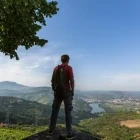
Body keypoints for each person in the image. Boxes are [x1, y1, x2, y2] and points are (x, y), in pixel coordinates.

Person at [48, 54, 76, 139]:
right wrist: (72, 91)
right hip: (66, 93)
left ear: (61, 60)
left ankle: (51, 130)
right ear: (68, 60)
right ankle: (69, 133)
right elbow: (71, 80)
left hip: (57, 93)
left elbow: (52, 80)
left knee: (55, 111)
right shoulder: (69, 68)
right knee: (68, 113)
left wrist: (54, 89)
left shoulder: (56, 68)